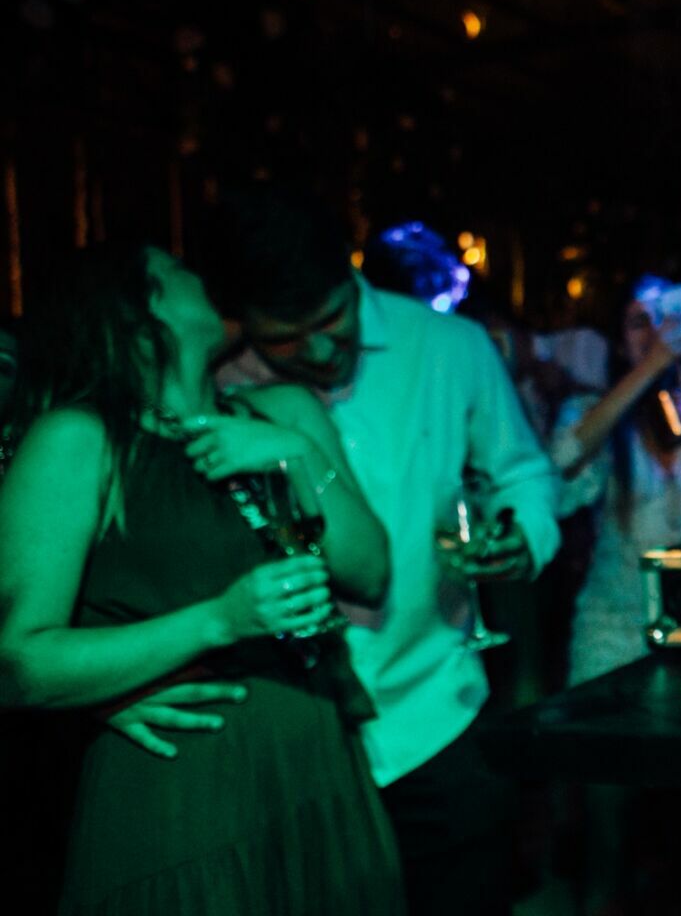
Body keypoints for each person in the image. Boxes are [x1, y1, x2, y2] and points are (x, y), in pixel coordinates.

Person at [0, 246, 401, 914]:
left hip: (318, 768)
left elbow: (370, 573)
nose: (202, 274)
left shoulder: (283, 412)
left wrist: (292, 453)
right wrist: (220, 619)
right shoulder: (81, 436)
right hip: (187, 789)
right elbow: (16, 663)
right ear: (144, 305)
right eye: (179, 268)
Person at [200, 186, 563, 916]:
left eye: (333, 319)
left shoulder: (447, 346)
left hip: (439, 715)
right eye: (286, 339)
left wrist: (519, 536)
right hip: (289, 747)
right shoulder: (219, 381)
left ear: (352, 276)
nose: (322, 349)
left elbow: (522, 470)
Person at [556, 277, 681, 683]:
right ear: (617, 341)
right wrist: (651, 366)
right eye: (638, 323)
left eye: (664, 320)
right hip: (612, 631)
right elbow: (562, 463)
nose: (655, 334)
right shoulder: (592, 411)